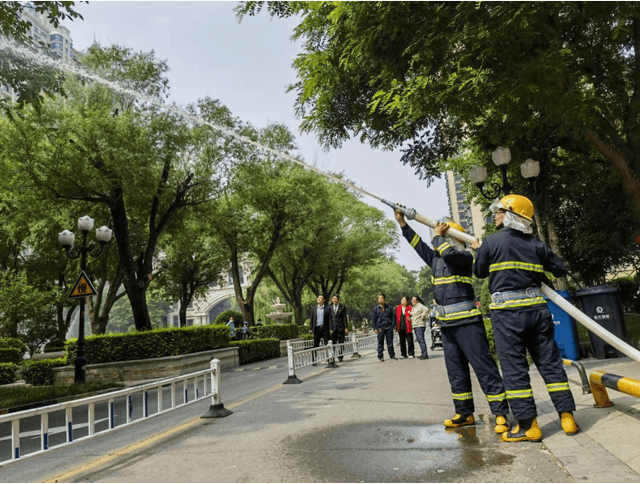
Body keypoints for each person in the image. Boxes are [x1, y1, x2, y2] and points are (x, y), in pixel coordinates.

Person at [472, 194, 579, 442]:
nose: (495, 215)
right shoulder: (536, 245)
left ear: (510, 215)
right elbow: (560, 268)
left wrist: (479, 251)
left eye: (499, 211)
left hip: (507, 316)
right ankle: (568, 418)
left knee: (515, 370)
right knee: (551, 365)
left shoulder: (491, 242)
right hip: (538, 313)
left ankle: (528, 427)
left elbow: (478, 272)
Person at [395, 209, 510, 434]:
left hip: (468, 324)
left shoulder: (464, 256)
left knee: (484, 368)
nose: (439, 243)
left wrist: (439, 236)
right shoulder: (436, 260)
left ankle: (500, 414)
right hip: (447, 326)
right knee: (455, 371)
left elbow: (448, 253)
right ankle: (464, 413)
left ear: (455, 240)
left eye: (445, 239)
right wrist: (402, 224)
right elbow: (418, 245)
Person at [371, 293, 397, 361]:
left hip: (388, 327)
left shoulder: (389, 307)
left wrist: (392, 326)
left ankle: (392, 355)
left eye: (381, 298)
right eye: (379, 298)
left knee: (390, 343)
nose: (380, 300)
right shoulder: (376, 309)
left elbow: (393, 317)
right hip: (380, 328)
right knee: (380, 343)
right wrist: (375, 328)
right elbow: (374, 319)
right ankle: (380, 356)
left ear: (384, 299)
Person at [309, 294, 331, 366]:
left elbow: (330, 320)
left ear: (324, 300)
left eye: (321, 298)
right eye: (318, 298)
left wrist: (330, 328)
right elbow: (312, 319)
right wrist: (310, 328)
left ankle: (329, 358)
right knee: (315, 344)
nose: (319, 299)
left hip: (325, 328)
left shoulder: (327, 309)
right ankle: (314, 360)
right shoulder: (314, 309)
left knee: (327, 344)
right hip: (317, 328)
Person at [328, 294, 349, 362]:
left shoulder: (342, 307)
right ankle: (332, 357)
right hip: (333, 328)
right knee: (333, 343)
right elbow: (329, 319)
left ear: (338, 300)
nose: (334, 300)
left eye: (336, 298)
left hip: (340, 328)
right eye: (333, 298)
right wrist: (330, 328)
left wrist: (346, 327)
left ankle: (340, 356)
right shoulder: (330, 308)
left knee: (341, 343)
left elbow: (344, 318)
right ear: (332, 299)